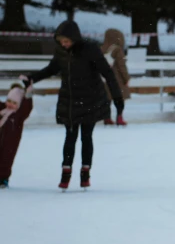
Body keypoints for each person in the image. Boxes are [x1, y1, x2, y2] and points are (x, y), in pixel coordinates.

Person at [26, 21, 124, 190]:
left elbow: (107, 73)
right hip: (70, 101)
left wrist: (117, 98)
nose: (63, 44)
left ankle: (85, 172)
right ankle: (66, 173)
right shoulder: (61, 53)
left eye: (66, 41)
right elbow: (50, 69)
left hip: (90, 99)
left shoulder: (90, 50)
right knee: (70, 136)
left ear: (74, 38)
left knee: (86, 136)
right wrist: (30, 78)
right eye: (60, 41)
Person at [0, 82, 34, 189]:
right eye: (8, 101)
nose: (10, 104)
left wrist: (28, 94)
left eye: (14, 102)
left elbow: (27, 107)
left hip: (10, 144)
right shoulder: (1, 110)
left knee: (6, 160)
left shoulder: (19, 115)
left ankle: (3, 179)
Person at [101, 29, 130, 126]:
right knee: (119, 99)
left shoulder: (101, 49)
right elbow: (122, 66)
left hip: (104, 79)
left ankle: (107, 117)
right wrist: (126, 78)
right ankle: (119, 117)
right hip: (117, 80)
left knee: (107, 100)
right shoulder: (117, 50)